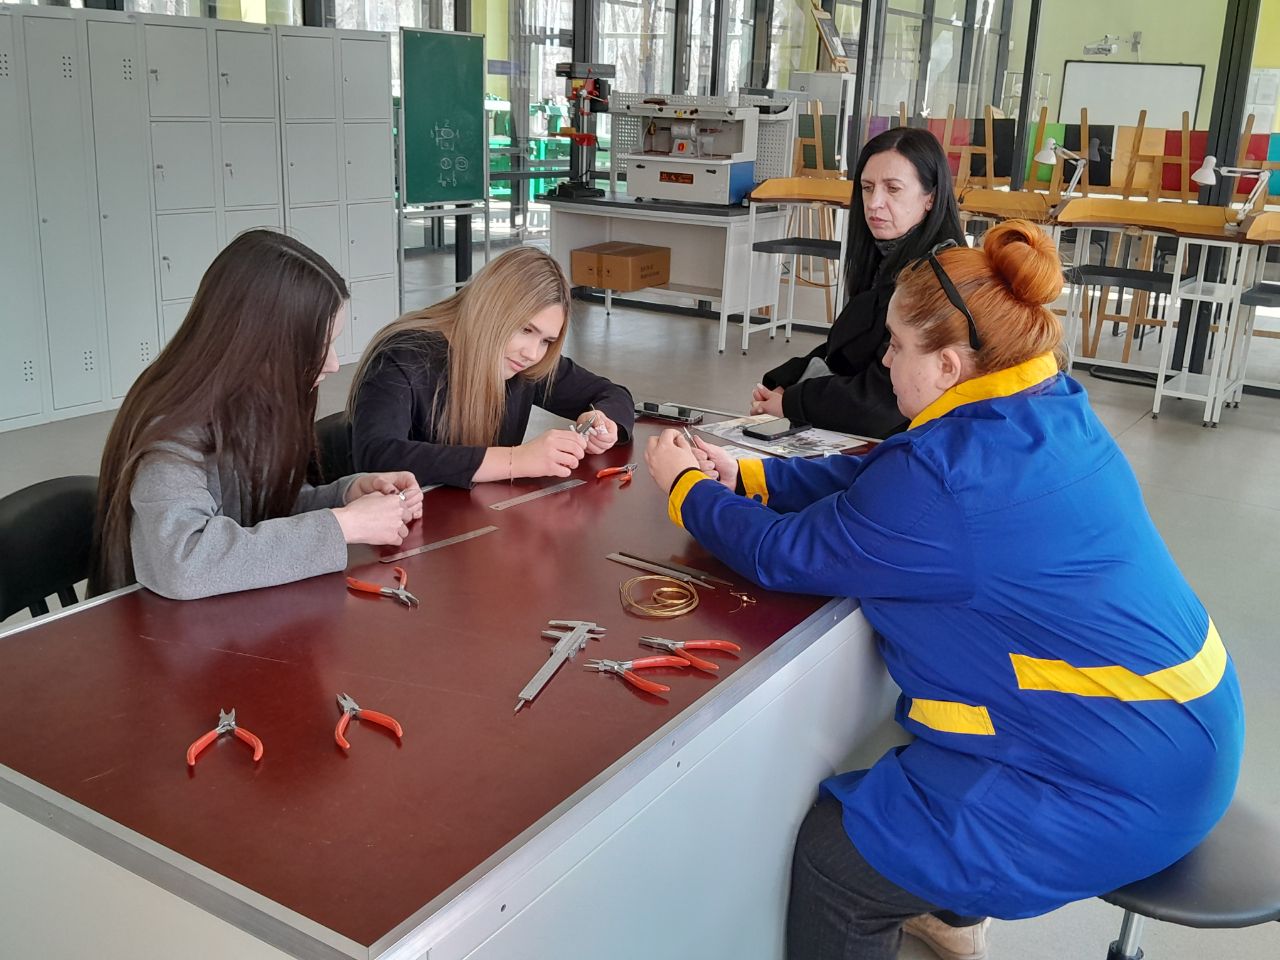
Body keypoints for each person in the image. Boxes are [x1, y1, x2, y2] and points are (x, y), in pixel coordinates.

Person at [645, 220, 1244, 960]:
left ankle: (937, 897)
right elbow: (884, 481)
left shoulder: (940, 480)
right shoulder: (1046, 404)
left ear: (950, 365)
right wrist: (750, 475)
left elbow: (783, 554)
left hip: (1117, 785)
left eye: (896, 345)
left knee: (838, 857)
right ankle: (953, 913)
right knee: (919, 771)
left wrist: (686, 489)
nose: (884, 359)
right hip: (1176, 736)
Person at [90, 230, 423, 601]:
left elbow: (262, 512)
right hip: (161, 628)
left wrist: (345, 496)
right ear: (258, 342)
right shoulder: (171, 428)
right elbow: (183, 562)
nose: (332, 363)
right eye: (319, 345)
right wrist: (342, 525)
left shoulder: (251, 399)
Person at [349, 246, 634, 489]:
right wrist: (515, 460)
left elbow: (612, 393)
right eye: (525, 329)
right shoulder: (402, 354)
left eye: (547, 340)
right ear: (492, 309)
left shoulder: (524, 362)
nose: (532, 353)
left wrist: (602, 420)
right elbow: (378, 456)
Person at [751, 126, 965, 438]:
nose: (874, 202)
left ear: (930, 197)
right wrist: (788, 381)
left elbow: (884, 400)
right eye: (867, 188)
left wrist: (793, 402)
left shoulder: (938, 280)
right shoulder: (884, 259)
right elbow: (847, 348)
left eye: (893, 189)